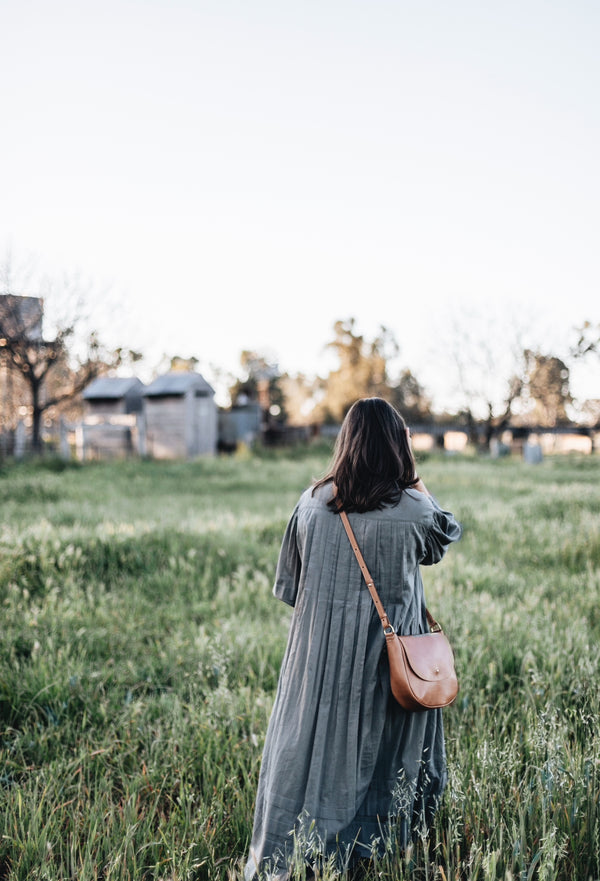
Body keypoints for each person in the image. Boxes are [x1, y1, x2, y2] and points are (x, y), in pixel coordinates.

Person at [244, 398, 462, 880]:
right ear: (398, 444)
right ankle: (380, 851)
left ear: (345, 442)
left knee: (309, 752)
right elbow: (445, 534)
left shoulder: (311, 503)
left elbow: (290, 588)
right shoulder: (413, 509)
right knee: (390, 755)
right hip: (391, 664)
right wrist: (412, 473)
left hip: (317, 663)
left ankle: (297, 852)